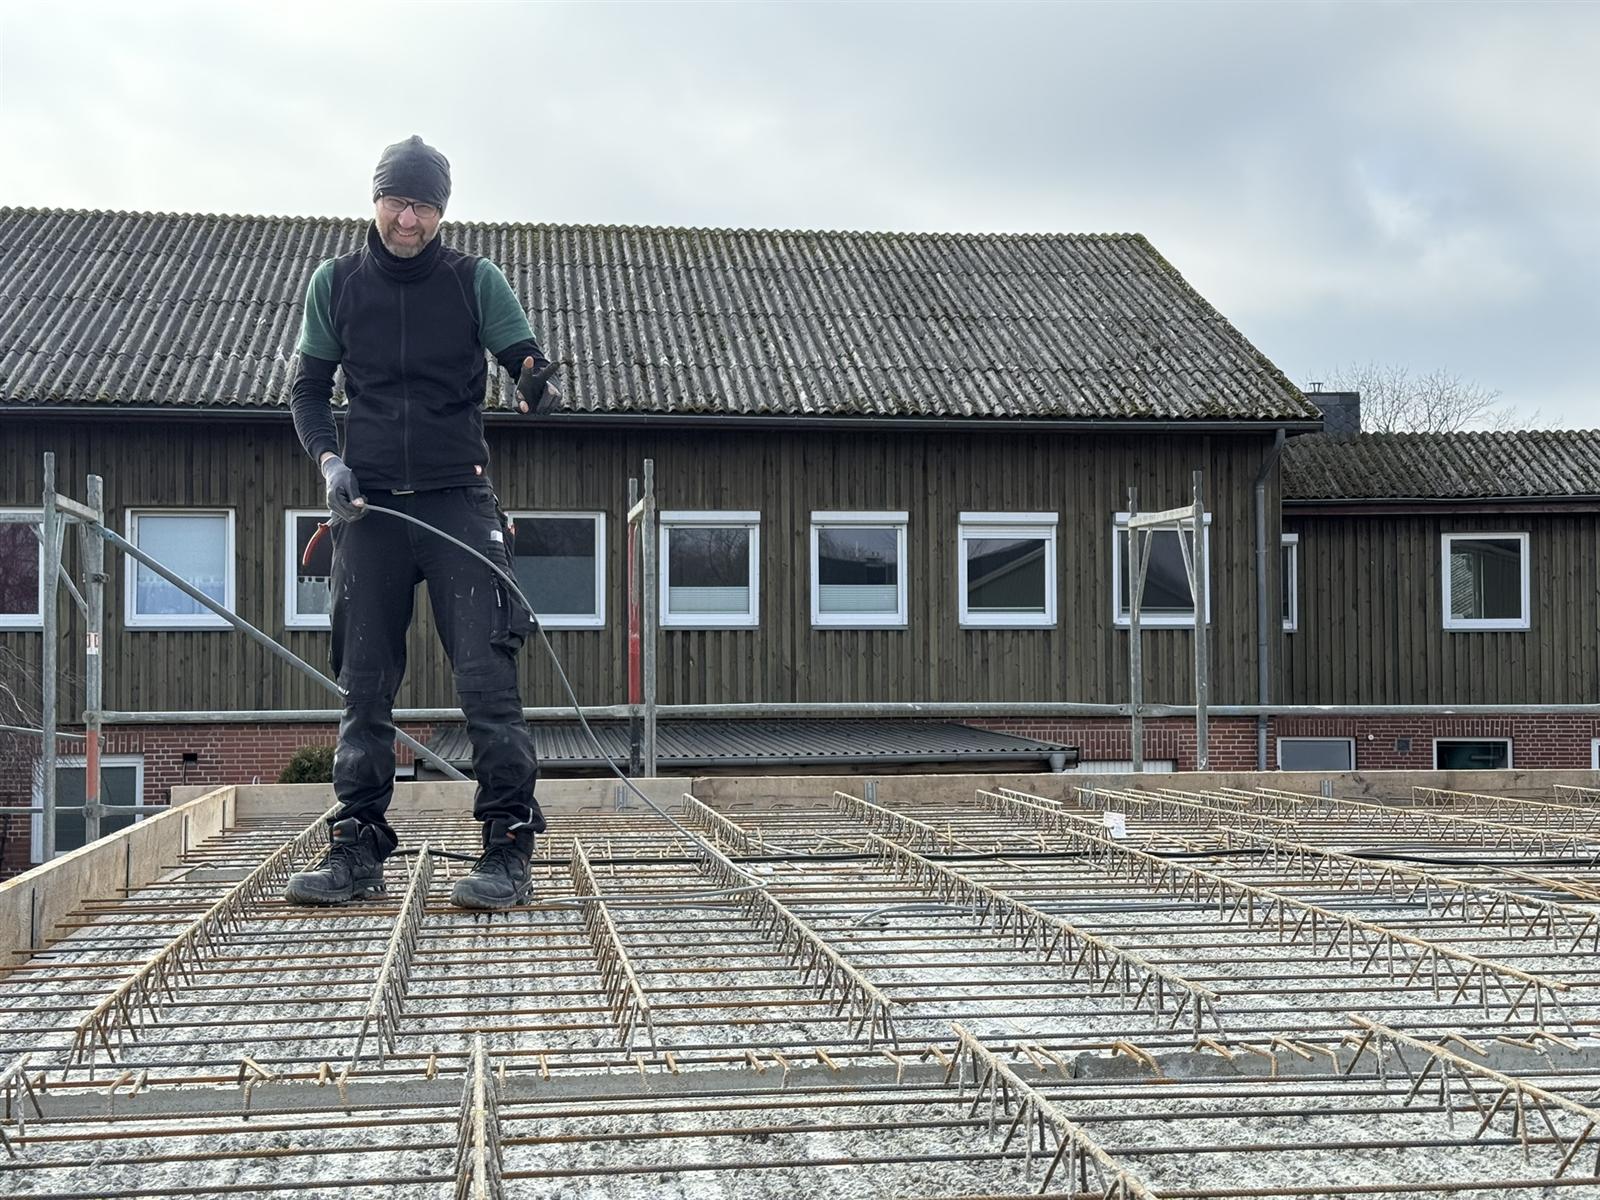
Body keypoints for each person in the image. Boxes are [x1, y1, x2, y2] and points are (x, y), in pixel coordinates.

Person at [283, 135, 557, 910]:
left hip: (455, 499)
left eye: (425, 206)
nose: (409, 219)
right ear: (376, 201)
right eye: (398, 202)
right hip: (367, 505)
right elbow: (307, 389)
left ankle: (507, 847)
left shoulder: (475, 281)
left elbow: (523, 359)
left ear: (442, 211)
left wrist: (534, 382)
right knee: (364, 686)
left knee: (486, 681)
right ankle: (357, 846)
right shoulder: (336, 284)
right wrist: (330, 464)